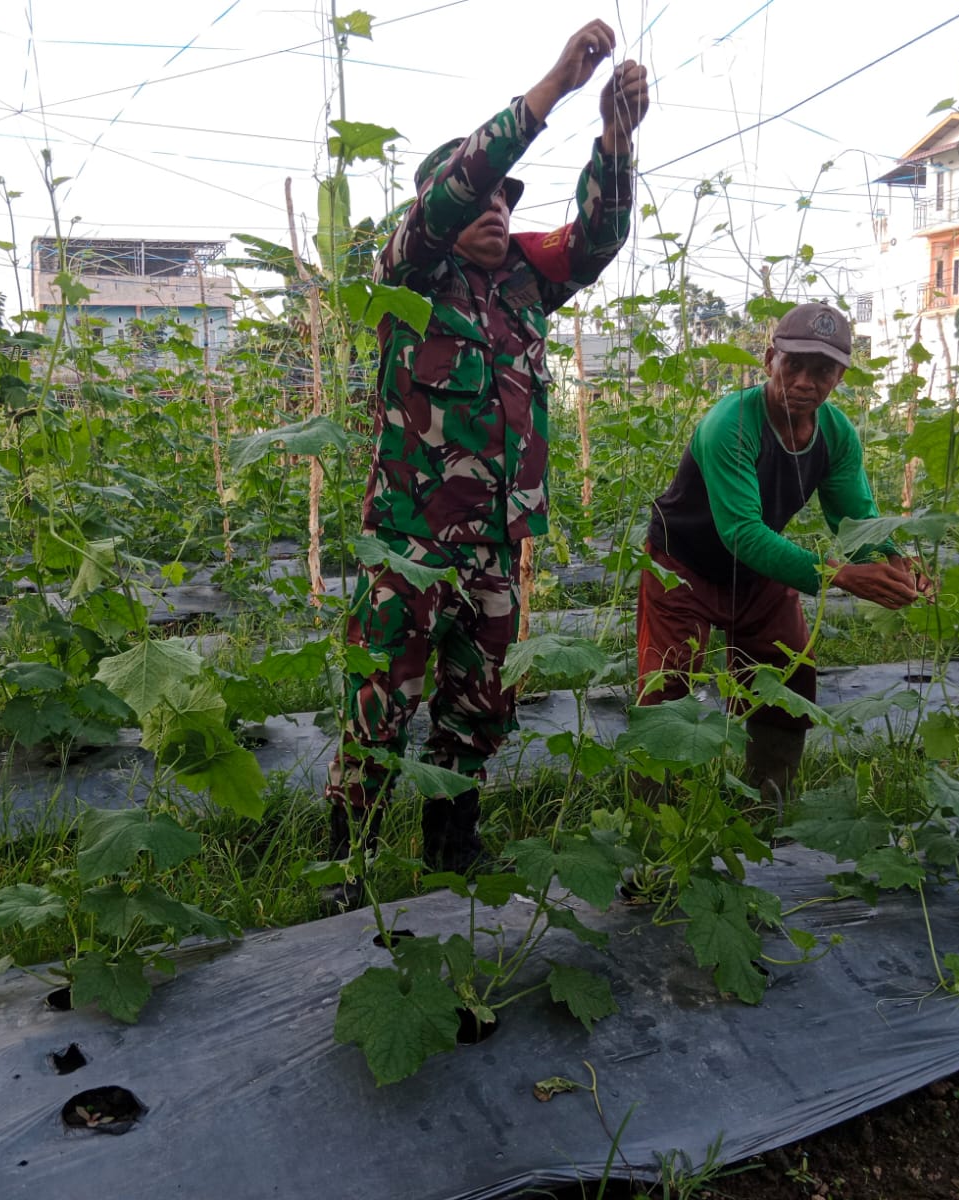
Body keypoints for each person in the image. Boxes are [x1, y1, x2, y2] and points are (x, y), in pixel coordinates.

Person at [321, 21, 649, 893]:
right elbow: (450, 194)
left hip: (498, 547)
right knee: (381, 702)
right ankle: (346, 863)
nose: (497, 208)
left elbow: (598, 239)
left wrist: (615, 138)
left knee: (479, 707)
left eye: (508, 200)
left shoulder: (525, 288)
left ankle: (451, 850)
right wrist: (553, 90)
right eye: (484, 197)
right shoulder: (410, 277)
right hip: (410, 544)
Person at [636, 302, 933, 810]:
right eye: (793, 364)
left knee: (786, 672)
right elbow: (742, 532)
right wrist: (839, 576)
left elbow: (855, 517)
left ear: (840, 377)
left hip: (759, 569)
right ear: (770, 359)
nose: (804, 382)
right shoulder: (730, 423)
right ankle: (653, 816)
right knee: (669, 680)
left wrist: (892, 560)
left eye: (822, 371)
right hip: (682, 564)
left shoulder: (835, 434)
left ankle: (767, 804)